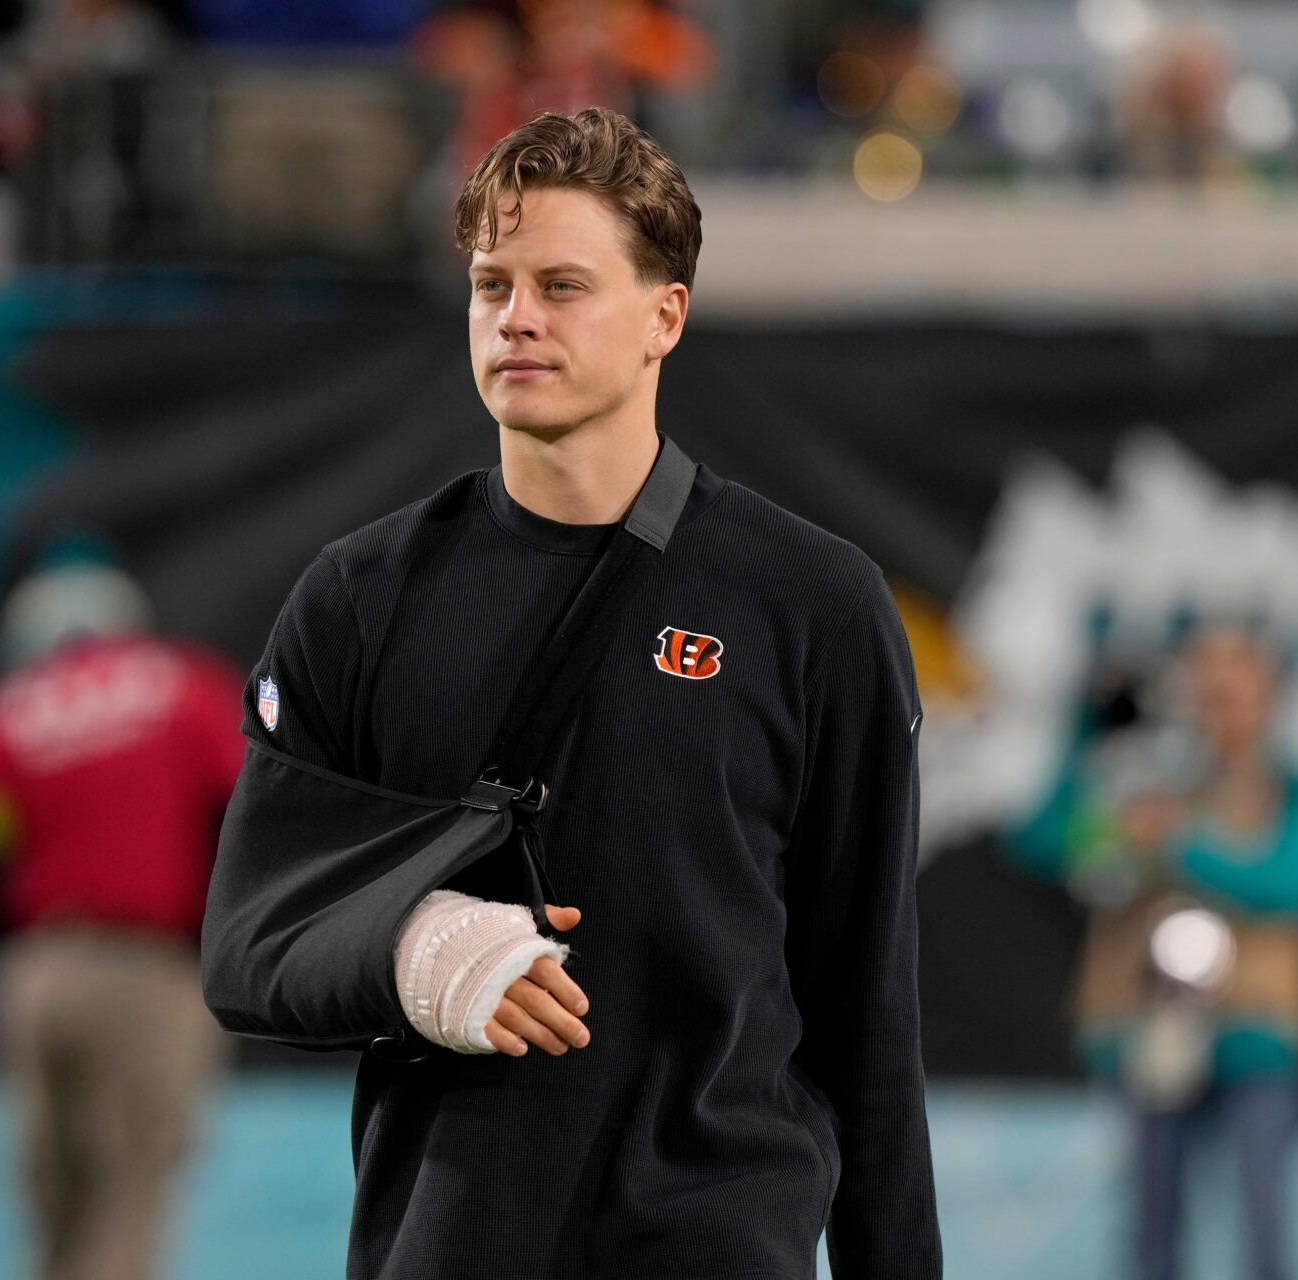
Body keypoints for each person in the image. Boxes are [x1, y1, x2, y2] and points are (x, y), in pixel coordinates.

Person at [212, 105, 941, 1279]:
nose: (516, 319)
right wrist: (421, 948)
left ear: (666, 315)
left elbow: (868, 1011)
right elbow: (251, 940)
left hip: (716, 1242)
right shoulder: (361, 596)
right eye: (491, 284)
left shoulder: (814, 606)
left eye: (562, 285)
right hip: (445, 1241)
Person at [0, 534, 243, 1280]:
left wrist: (9, 947)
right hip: (150, 970)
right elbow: (244, 812)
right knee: (129, 1193)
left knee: (54, 1201)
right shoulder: (186, 688)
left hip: (36, 972)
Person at [1007, 623, 1298, 1280]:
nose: (1214, 712)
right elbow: (1045, 841)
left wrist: (1181, 843)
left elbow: (1295, 880)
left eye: (1231, 695)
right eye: (1202, 695)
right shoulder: (1145, 790)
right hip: (1155, 1040)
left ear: (1268, 699)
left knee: (1267, 1225)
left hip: (1262, 1039)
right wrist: (1090, 734)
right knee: (1152, 1231)